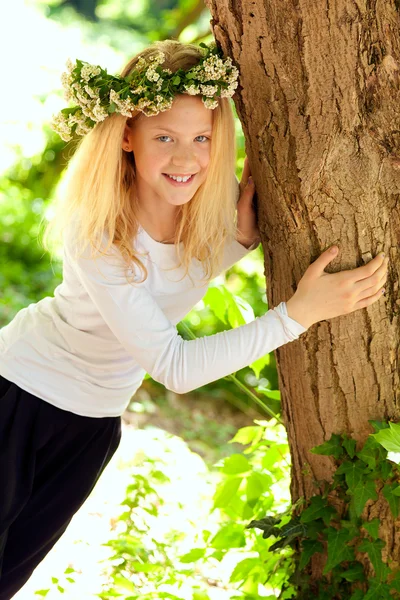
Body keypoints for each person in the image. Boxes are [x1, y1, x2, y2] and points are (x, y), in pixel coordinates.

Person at [0, 39, 388, 598]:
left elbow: (173, 279)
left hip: (93, 422)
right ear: (127, 136)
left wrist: (237, 242)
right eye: (165, 138)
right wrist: (298, 314)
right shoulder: (101, 232)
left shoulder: (209, 207)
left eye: (201, 139)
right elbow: (174, 367)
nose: (185, 159)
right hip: (22, 397)